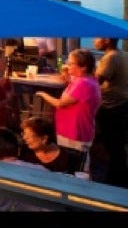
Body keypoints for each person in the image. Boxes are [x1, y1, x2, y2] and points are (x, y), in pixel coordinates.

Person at [36, 48, 101, 172]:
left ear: (83, 67)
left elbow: (61, 103)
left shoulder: (83, 84)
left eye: (71, 63)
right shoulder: (85, 80)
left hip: (74, 133)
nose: (67, 64)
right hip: (74, 131)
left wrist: (43, 94)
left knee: (74, 167)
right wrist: (67, 76)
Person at [93, 37, 128, 187]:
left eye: (97, 38)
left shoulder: (110, 57)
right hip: (122, 104)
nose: (94, 41)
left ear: (106, 40)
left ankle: (114, 181)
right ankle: (118, 177)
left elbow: (96, 82)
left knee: (112, 145)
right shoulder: (124, 54)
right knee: (117, 144)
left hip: (111, 107)